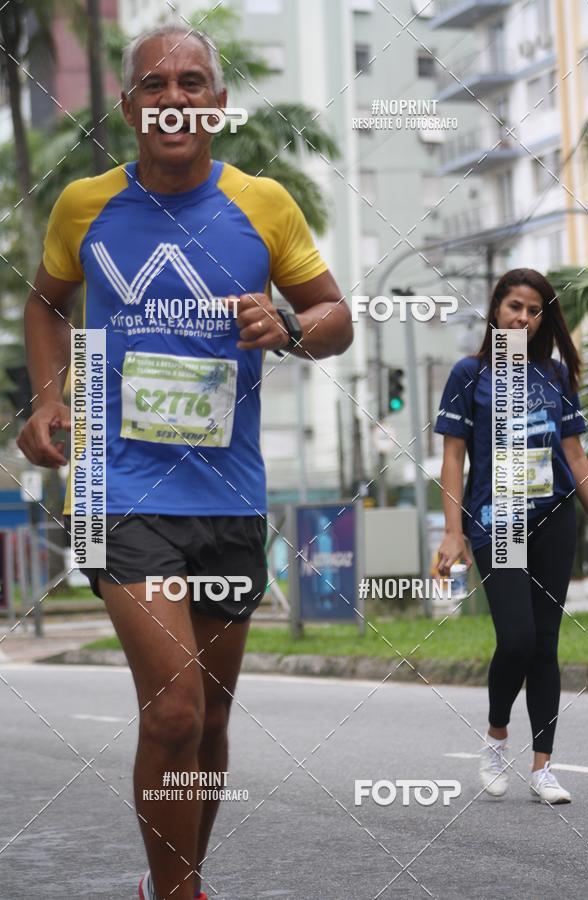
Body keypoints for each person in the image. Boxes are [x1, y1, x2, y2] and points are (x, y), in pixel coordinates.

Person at [16, 25, 352, 900]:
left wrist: (285, 328)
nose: (174, 94)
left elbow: (334, 316)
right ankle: (175, 895)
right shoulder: (85, 205)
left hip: (229, 495)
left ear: (216, 101)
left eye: (193, 80)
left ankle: (182, 876)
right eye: (155, 82)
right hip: (117, 487)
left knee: (209, 724)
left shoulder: (264, 204)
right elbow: (46, 303)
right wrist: (49, 400)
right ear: (129, 106)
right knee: (172, 711)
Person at [434, 268, 588, 805]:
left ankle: (544, 767)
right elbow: (453, 457)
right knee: (517, 639)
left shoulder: (555, 375)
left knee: (546, 645)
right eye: (514, 307)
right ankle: (497, 736)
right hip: (496, 520)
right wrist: (453, 532)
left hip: (554, 521)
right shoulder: (469, 374)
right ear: (496, 311)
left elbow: (576, 457)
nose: (523, 318)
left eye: (534, 311)